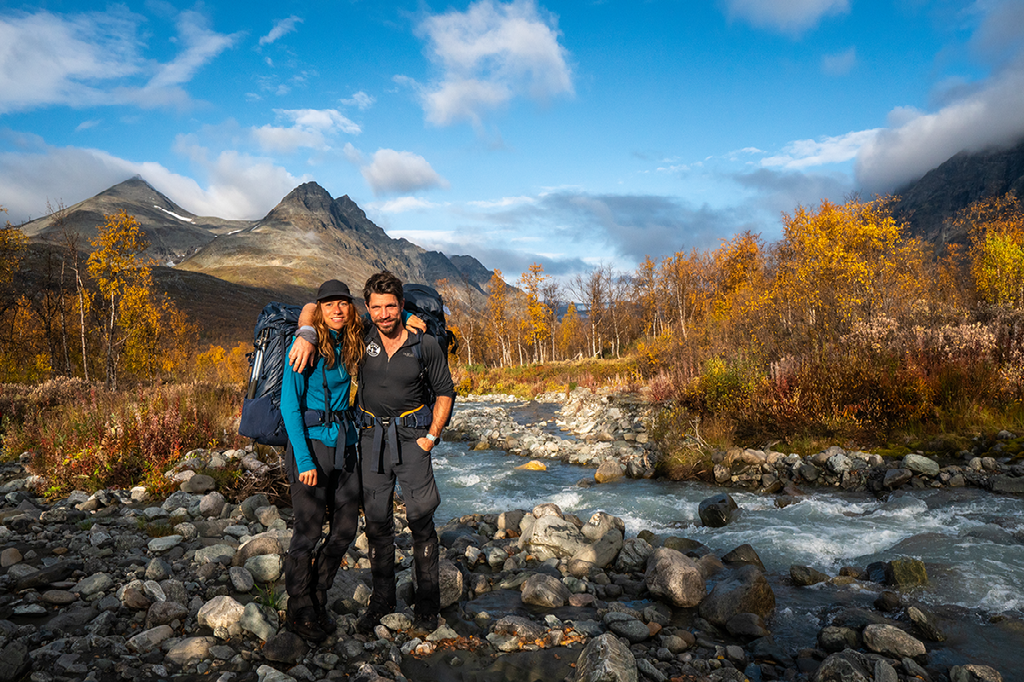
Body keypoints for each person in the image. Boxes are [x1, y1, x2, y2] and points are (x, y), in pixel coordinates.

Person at [288, 271, 455, 634]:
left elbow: (445, 391)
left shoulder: (423, 342)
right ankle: (382, 602)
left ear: (401, 305)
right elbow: (313, 309)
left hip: (413, 439)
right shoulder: (360, 336)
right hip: (368, 440)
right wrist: (304, 332)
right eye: (376, 307)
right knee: (377, 524)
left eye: (391, 306)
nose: (383, 314)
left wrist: (431, 437)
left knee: (421, 522)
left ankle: (428, 605)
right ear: (366, 308)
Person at [279, 279, 363, 644]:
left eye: (342, 303)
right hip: (310, 449)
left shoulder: (355, 342)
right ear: (319, 309)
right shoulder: (304, 348)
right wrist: (304, 460)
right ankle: (299, 608)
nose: (337, 310)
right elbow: (289, 406)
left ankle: (318, 593)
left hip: (346, 448)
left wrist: (412, 318)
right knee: (308, 533)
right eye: (329, 305)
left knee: (345, 530)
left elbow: (389, 314)